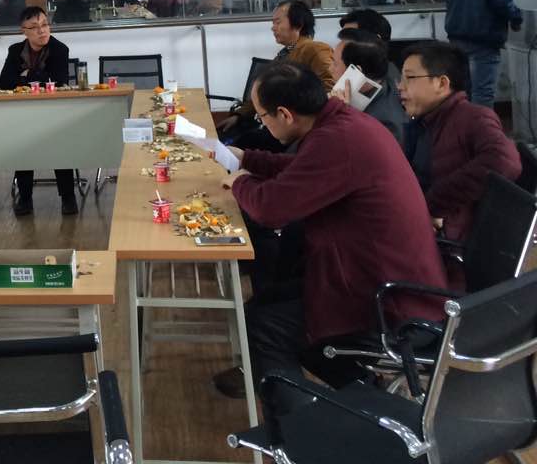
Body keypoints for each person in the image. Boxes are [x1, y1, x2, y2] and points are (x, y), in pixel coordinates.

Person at [214, 62, 448, 416]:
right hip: (380, 276)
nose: (262, 124)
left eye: (263, 117)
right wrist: (247, 158)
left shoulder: (337, 139)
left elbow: (271, 209)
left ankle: (300, 433)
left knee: (265, 327)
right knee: (266, 304)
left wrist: (240, 182)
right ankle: (370, 399)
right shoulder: (341, 124)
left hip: (390, 300)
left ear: (285, 114)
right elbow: (303, 170)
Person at [397, 41, 521, 247]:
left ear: (442, 83)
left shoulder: (472, 117)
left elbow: (505, 161)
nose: (400, 86)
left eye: (409, 78)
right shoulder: (424, 122)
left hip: (451, 242)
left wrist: (432, 203)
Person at [215, 1, 335, 143]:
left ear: (298, 25)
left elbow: (330, 87)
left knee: (243, 142)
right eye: (273, 23)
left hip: (292, 127)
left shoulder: (315, 49)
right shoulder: (284, 53)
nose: (273, 27)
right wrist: (239, 115)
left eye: (278, 22)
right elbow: (263, 93)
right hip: (273, 122)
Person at [0, 7, 77, 216]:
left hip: (55, 111)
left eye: (45, 25)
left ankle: (68, 197)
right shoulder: (15, 50)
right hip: (23, 112)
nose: (42, 31)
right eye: (34, 27)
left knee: (60, 147)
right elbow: (4, 82)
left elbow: (58, 81)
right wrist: (38, 77)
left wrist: (25, 76)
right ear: (23, 31)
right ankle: (25, 198)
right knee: (24, 146)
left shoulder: (59, 49)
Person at [329, 29, 409, 155]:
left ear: (355, 72)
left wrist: (340, 117)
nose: (330, 69)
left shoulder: (386, 123)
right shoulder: (382, 80)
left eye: (335, 63)